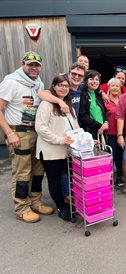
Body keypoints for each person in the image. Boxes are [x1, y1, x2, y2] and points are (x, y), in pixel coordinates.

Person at [0, 51, 54, 223]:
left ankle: (35, 201)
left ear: (40, 66)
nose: (33, 67)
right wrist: (9, 133)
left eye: (36, 65)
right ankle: (22, 207)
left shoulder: (38, 83)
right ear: (22, 64)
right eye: (30, 64)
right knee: (22, 172)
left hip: (36, 132)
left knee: (38, 170)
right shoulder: (11, 82)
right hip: (19, 133)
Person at [35, 75, 78, 221]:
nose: (64, 88)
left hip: (66, 151)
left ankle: (70, 202)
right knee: (54, 181)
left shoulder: (68, 105)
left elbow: (75, 127)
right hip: (50, 152)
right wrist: (61, 140)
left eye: (66, 86)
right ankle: (61, 207)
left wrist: (86, 139)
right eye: (61, 85)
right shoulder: (46, 104)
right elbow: (40, 128)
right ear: (53, 86)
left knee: (71, 178)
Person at [104, 78, 124, 187]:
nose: (115, 88)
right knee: (110, 157)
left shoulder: (123, 99)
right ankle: (109, 178)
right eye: (113, 86)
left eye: (117, 86)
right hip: (110, 133)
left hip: (122, 133)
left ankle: (120, 177)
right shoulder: (105, 101)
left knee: (120, 156)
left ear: (120, 87)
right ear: (109, 87)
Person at [79, 70, 109, 139]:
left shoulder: (98, 95)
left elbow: (105, 110)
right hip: (89, 132)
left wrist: (106, 122)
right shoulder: (82, 95)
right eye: (91, 79)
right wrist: (99, 126)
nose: (95, 81)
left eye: (97, 79)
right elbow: (83, 116)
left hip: (102, 131)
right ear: (86, 81)